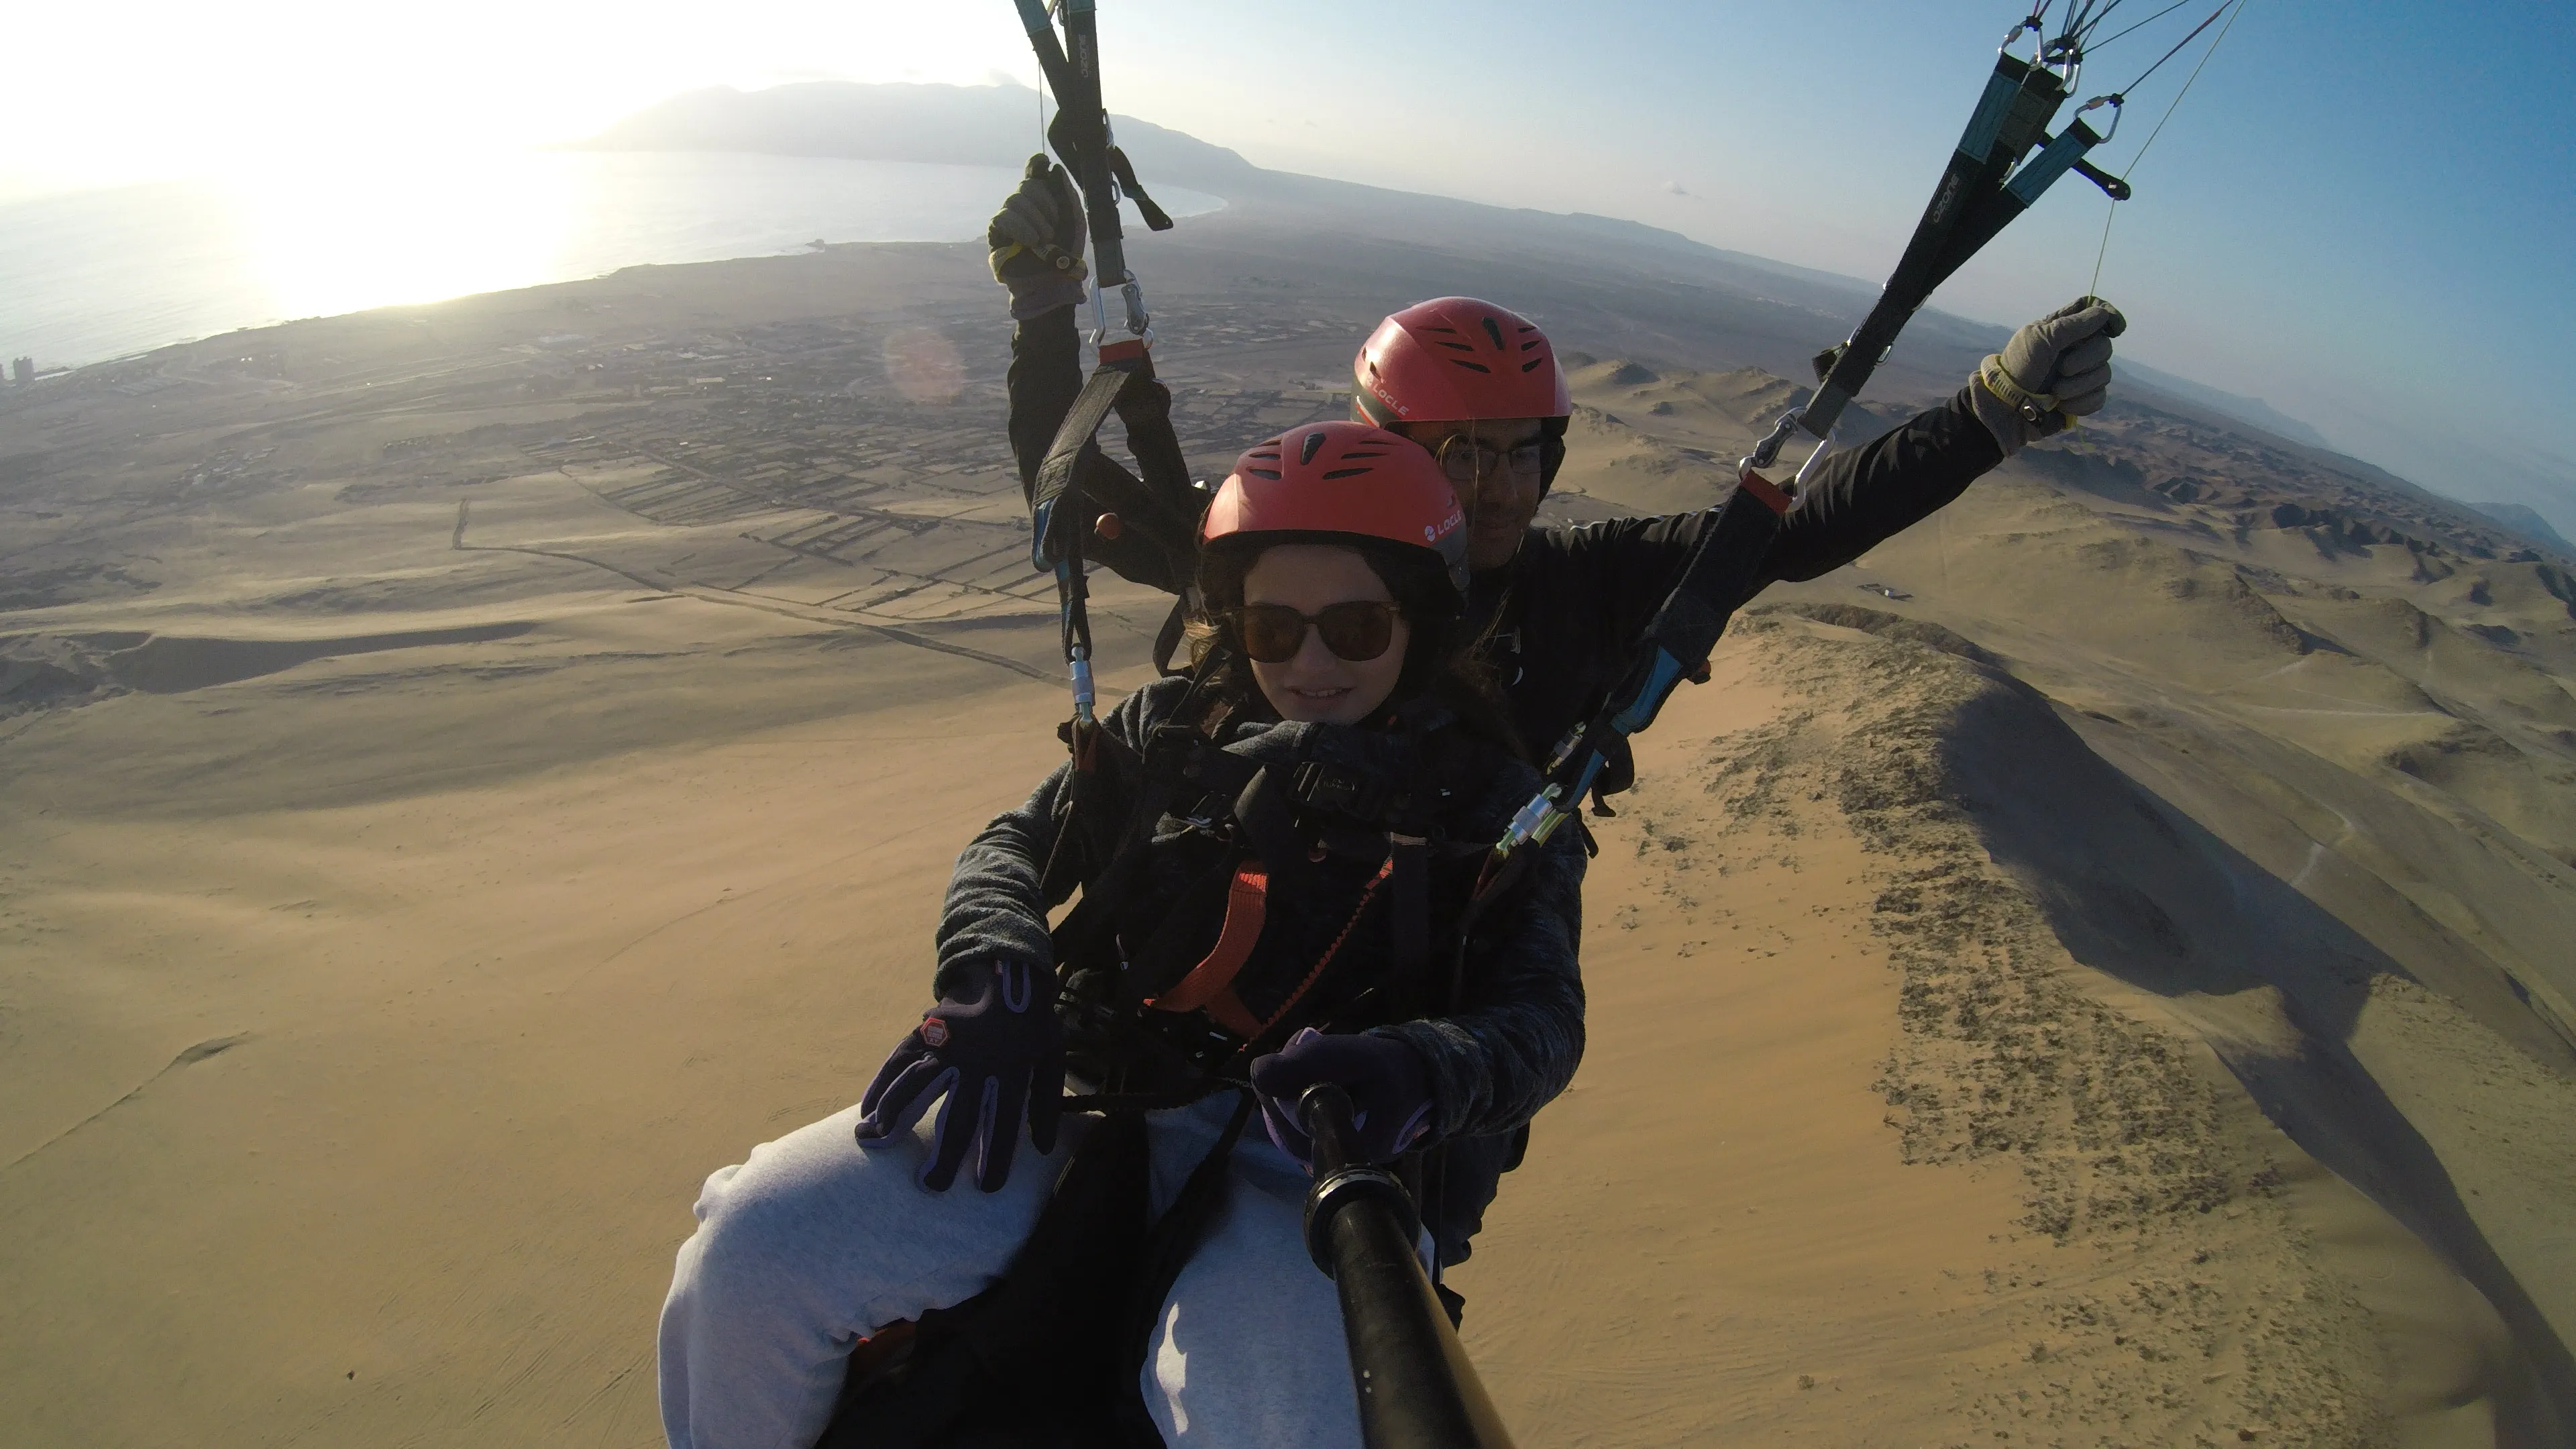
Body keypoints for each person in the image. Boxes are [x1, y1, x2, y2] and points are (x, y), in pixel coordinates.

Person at [987, 159, 2127, 1269]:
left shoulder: (1583, 584)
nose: (1493, 488)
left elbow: (1786, 531)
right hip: (1192, 987)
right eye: (1458, 453)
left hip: (1421, 1030)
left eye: (1519, 453)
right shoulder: (1290, 547)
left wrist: (1989, 417)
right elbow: (1072, 488)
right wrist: (1046, 309)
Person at [657, 421, 1587, 1448]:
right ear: (1237, 625)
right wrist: (993, 953)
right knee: (750, 1253)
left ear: (1419, 619)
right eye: (1275, 630)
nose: (1312, 664)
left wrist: (1422, 1069)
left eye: (1357, 628)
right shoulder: (1175, 729)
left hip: (1301, 1168)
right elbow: (1013, 842)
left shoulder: (1498, 803)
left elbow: (1541, 1018)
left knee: (1306, 1423)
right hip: (1082, 1093)